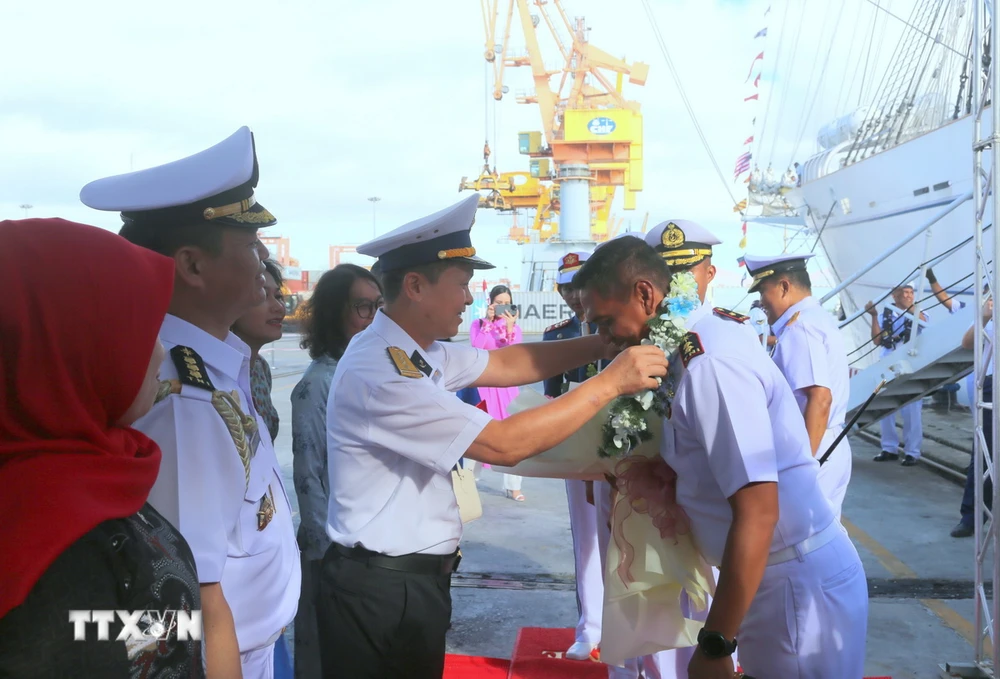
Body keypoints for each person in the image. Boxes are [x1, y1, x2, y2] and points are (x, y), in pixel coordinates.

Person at [317, 194, 668, 679]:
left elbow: (504, 364)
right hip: (379, 592)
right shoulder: (383, 369)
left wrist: (605, 343)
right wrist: (609, 382)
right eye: (461, 285)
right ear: (415, 287)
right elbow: (504, 444)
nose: (469, 298)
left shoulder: (417, 350)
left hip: (409, 583)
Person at [577, 233, 869, 679]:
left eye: (603, 321)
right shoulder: (694, 340)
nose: (603, 339)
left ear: (644, 295)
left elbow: (759, 511)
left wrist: (716, 644)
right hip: (770, 582)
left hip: (790, 590)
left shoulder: (708, 364)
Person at [80, 126, 300, 679]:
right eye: (251, 246)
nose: (263, 263)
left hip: (249, 647)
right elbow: (186, 602)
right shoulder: (184, 399)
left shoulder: (215, 366)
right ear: (193, 265)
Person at [0, 219, 203, 677]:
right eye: (140, 328)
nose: (159, 351)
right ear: (70, 346)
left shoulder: (94, 472)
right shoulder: (54, 549)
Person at [290, 263, 383, 677]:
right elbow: (308, 476)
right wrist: (327, 559)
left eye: (380, 306)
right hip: (337, 553)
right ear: (334, 313)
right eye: (363, 307)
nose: (374, 318)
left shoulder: (373, 370)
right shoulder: (318, 384)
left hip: (374, 549)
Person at [745, 253, 853, 520]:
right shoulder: (817, 318)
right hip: (828, 443)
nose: (761, 303)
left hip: (815, 447)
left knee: (804, 543)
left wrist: (803, 466)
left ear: (783, 287)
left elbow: (820, 398)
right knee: (824, 536)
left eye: (763, 291)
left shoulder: (800, 328)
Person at [542, 251, 604, 661]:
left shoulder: (619, 327)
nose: (573, 296)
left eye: (578, 286)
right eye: (566, 288)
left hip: (625, 451)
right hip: (576, 456)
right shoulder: (557, 336)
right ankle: (591, 629)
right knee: (586, 542)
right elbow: (551, 400)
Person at [470, 284, 525, 500]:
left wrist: (509, 327)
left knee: (512, 435)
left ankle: (513, 486)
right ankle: (469, 481)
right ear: (490, 303)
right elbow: (477, 346)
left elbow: (513, 353)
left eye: (506, 303)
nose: (502, 307)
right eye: (498, 303)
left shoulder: (515, 328)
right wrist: (487, 323)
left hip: (507, 387)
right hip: (484, 386)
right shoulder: (478, 324)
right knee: (478, 433)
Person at [865, 283, 927, 466]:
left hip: (911, 364)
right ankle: (889, 448)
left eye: (910, 293)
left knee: (912, 411)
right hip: (888, 363)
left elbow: (924, 321)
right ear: (894, 296)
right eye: (904, 293)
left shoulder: (919, 311)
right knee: (885, 409)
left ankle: (912, 452)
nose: (908, 296)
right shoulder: (886, 315)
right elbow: (877, 340)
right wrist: (874, 316)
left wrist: (912, 307)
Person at [953, 288, 995, 538]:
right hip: (991, 385)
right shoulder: (987, 310)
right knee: (982, 453)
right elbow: (967, 343)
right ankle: (971, 516)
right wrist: (984, 316)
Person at [233, 258, 286, 443]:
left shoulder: (260, 369)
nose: (278, 307)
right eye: (263, 295)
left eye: (279, 296)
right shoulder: (210, 369)